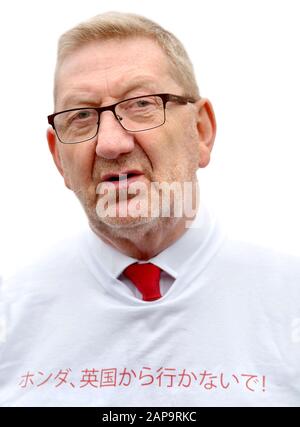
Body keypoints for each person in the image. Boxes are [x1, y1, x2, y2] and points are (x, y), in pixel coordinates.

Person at [0, 11, 299, 407]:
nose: (110, 143)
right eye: (81, 116)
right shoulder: (11, 315)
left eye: (141, 104)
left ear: (201, 131)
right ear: (59, 159)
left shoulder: (289, 301)